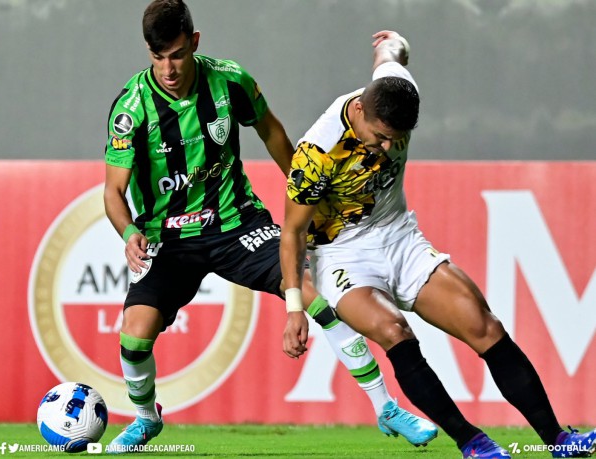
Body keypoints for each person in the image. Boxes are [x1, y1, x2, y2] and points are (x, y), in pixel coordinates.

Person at [103, 0, 436, 452]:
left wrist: (306, 194)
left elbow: (273, 133)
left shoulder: (229, 80)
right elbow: (113, 193)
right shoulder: (132, 108)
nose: (169, 68)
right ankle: (145, 418)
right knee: (134, 333)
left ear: (194, 43)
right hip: (169, 237)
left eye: (177, 54)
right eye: (158, 56)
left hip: (237, 223)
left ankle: (386, 408)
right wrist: (129, 233)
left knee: (311, 291)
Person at [280, 29, 596, 459]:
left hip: (400, 236)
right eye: (380, 137)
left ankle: (558, 439)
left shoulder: (396, 89)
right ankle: (473, 443)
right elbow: (294, 232)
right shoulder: (316, 152)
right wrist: (295, 307)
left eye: (397, 138)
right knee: (395, 331)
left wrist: (395, 42)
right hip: (343, 255)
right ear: (359, 110)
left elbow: (391, 52)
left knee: (484, 326)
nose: (389, 147)